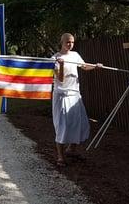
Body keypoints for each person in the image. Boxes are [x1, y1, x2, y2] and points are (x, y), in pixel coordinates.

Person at [52, 33, 102, 167]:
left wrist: (95, 66)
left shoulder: (75, 55)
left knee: (79, 123)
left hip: (75, 94)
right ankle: (60, 157)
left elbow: (84, 66)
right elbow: (60, 79)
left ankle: (71, 149)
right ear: (61, 42)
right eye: (68, 42)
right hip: (61, 95)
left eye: (72, 42)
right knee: (62, 126)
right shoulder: (55, 58)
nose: (70, 44)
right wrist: (61, 65)